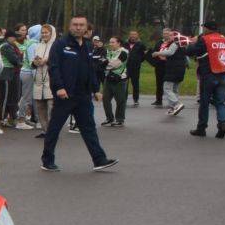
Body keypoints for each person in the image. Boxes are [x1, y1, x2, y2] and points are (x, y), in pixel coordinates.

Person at [40, 15, 116, 172]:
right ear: (70, 26)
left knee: (89, 128)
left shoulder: (87, 46)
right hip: (65, 95)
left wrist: (96, 89)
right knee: (54, 128)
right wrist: (59, 87)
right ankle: (47, 160)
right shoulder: (60, 44)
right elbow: (53, 67)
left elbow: (90, 70)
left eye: (82, 25)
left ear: (86, 27)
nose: (78, 27)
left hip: (83, 95)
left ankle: (99, 159)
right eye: (75, 24)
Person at [153, 28, 189, 118]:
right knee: (174, 89)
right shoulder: (182, 45)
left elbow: (170, 52)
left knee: (166, 88)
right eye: (167, 35)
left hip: (173, 69)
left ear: (175, 36)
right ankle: (173, 108)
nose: (167, 36)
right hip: (180, 69)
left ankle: (177, 104)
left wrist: (158, 53)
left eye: (170, 35)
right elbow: (186, 58)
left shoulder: (175, 44)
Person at [0, 27, 25, 129]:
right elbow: (15, 60)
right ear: (9, 37)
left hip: (10, 73)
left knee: (12, 96)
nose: (15, 39)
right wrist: (20, 60)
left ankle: (9, 117)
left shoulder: (10, 45)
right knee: (5, 98)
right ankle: (2, 118)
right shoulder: (6, 46)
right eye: (14, 37)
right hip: (6, 73)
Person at [101, 35, 130, 126]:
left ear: (119, 43)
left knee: (120, 100)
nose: (110, 44)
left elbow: (115, 64)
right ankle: (109, 118)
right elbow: (101, 64)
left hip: (120, 79)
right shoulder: (108, 51)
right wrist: (106, 63)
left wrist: (106, 63)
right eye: (110, 42)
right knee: (105, 99)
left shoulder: (124, 52)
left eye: (113, 42)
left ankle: (120, 120)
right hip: (108, 77)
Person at [125, 30, 148, 105]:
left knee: (135, 83)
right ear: (129, 35)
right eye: (131, 34)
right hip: (125, 67)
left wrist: (138, 60)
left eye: (134, 34)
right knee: (124, 83)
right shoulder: (125, 44)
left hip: (136, 67)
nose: (133, 36)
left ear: (137, 35)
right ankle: (123, 99)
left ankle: (136, 99)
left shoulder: (141, 44)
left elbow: (144, 55)